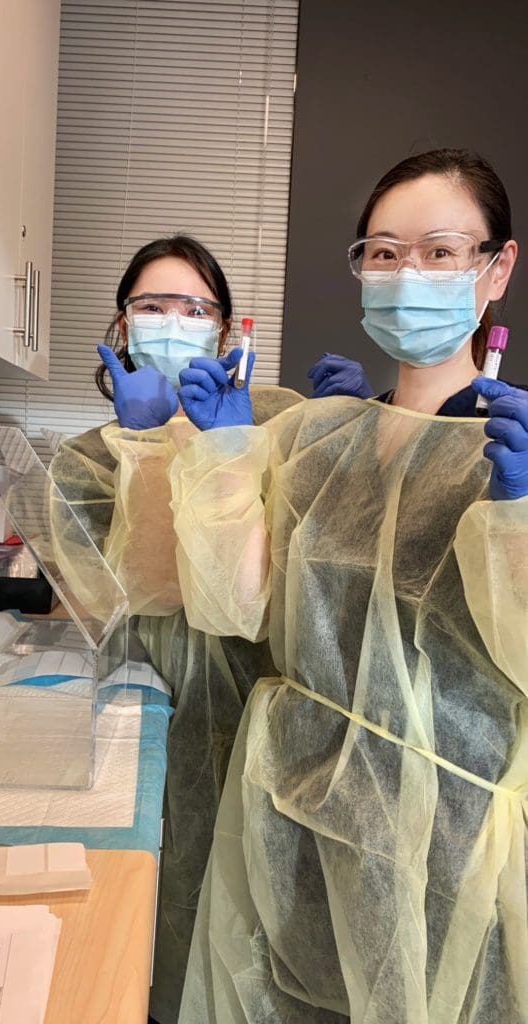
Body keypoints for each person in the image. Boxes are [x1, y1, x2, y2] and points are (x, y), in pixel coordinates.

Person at [157, 150, 528, 1023]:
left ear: (495, 267)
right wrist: (223, 457)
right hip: (291, 813)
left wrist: (519, 517)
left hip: (446, 846)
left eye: (440, 252)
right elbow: (234, 606)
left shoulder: (510, 451)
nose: (408, 275)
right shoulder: (318, 441)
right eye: (384, 253)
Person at [49, 234, 308, 1024]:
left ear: (226, 331)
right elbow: (128, 595)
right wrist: (146, 447)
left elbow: (265, 591)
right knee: (141, 902)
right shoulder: (85, 460)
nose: (173, 322)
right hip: (135, 711)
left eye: (194, 308)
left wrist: (215, 444)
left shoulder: (267, 428)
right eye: (152, 306)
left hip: (249, 707)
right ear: (121, 325)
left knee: (242, 910)